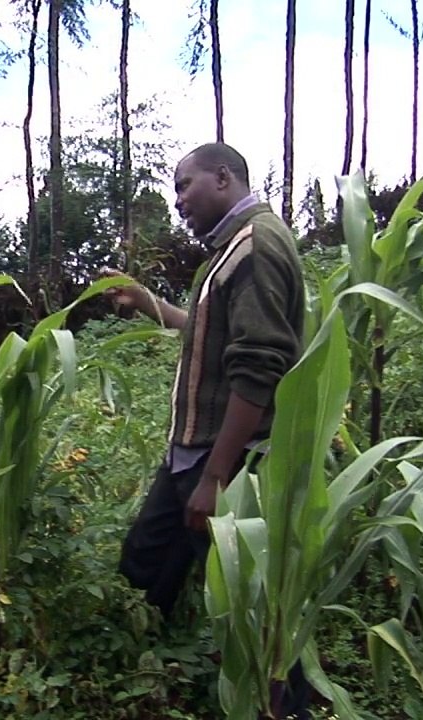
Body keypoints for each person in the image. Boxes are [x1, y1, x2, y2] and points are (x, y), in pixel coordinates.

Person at [104, 143, 310, 718]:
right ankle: (143, 680)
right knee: (145, 567)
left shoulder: (254, 248)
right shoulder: (233, 249)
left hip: (222, 461)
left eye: (184, 186)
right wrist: (149, 304)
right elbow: (207, 330)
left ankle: (284, 703)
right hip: (189, 456)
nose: (178, 203)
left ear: (224, 177)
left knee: (251, 601)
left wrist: (216, 476)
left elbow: (260, 366)